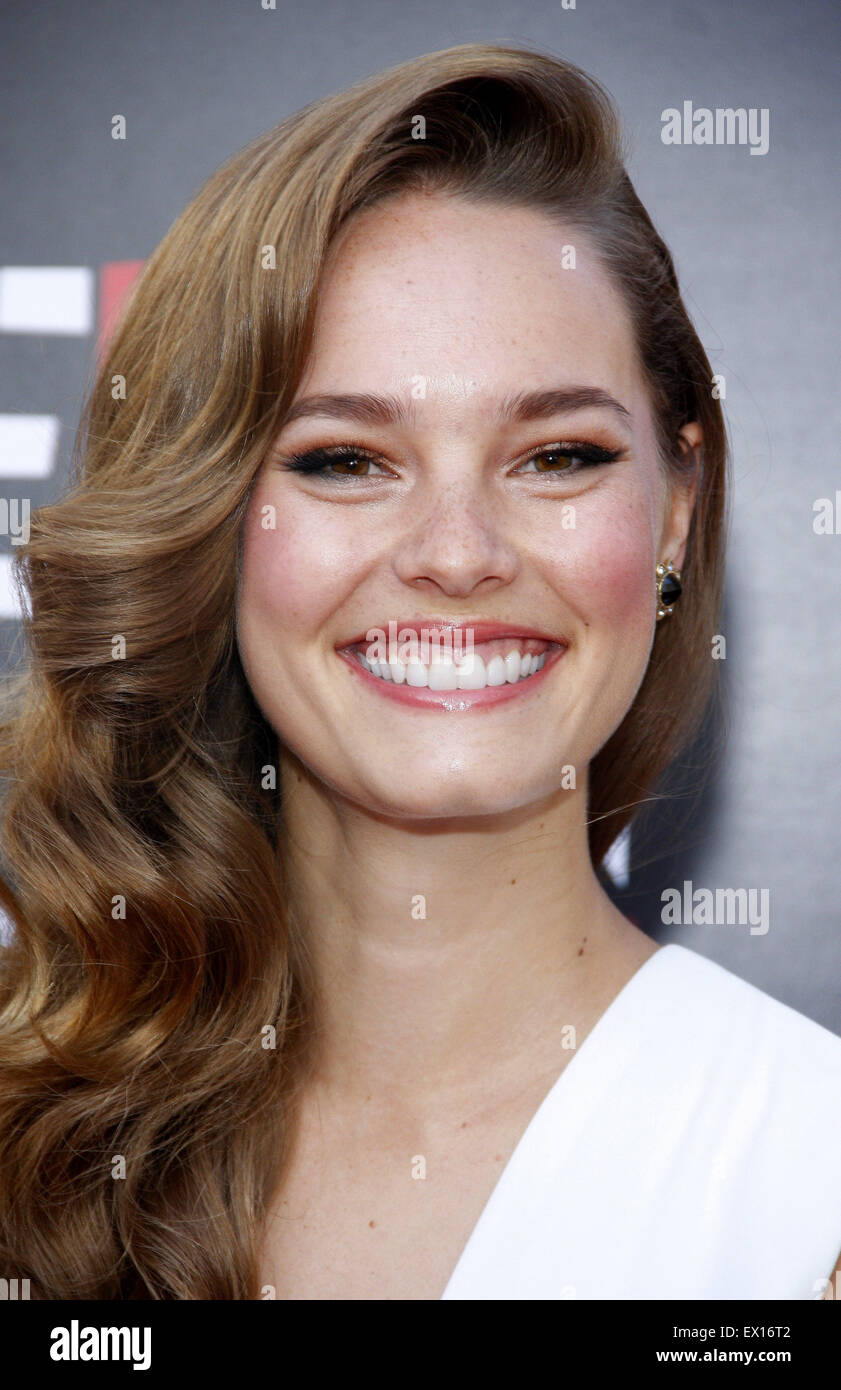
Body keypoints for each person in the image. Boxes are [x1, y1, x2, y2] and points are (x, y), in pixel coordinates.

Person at [1, 42, 840, 1301]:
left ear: (674, 510)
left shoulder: (805, 1185)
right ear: (210, 515)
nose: (458, 555)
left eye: (557, 455)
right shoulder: (34, 1141)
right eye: (344, 459)